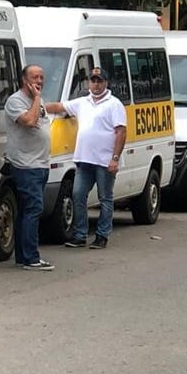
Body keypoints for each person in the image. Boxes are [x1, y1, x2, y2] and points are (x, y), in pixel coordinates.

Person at [47, 67, 127, 249]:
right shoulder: (83, 102)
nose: (96, 84)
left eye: (99, 80)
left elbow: (121, 131)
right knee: (78, 194)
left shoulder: (114, 104)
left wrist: (115, 158)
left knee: (105, 198)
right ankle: (80, 234)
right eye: (93, 80)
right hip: (84, 159)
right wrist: (37, 106)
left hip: (104, 160)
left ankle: (102, 235)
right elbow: (60, 107)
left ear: (106, 82)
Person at [3, 64, 54, 270]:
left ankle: (23, 256)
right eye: (35, 77)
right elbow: (31, 120)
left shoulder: (36, 101)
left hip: (40, 164)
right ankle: (31, 258)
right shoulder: (16, 101)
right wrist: (37, 99)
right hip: (26, 165)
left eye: (42, 77)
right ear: (24, 80)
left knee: (27, 211)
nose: (39, 81)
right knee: (33, 209)